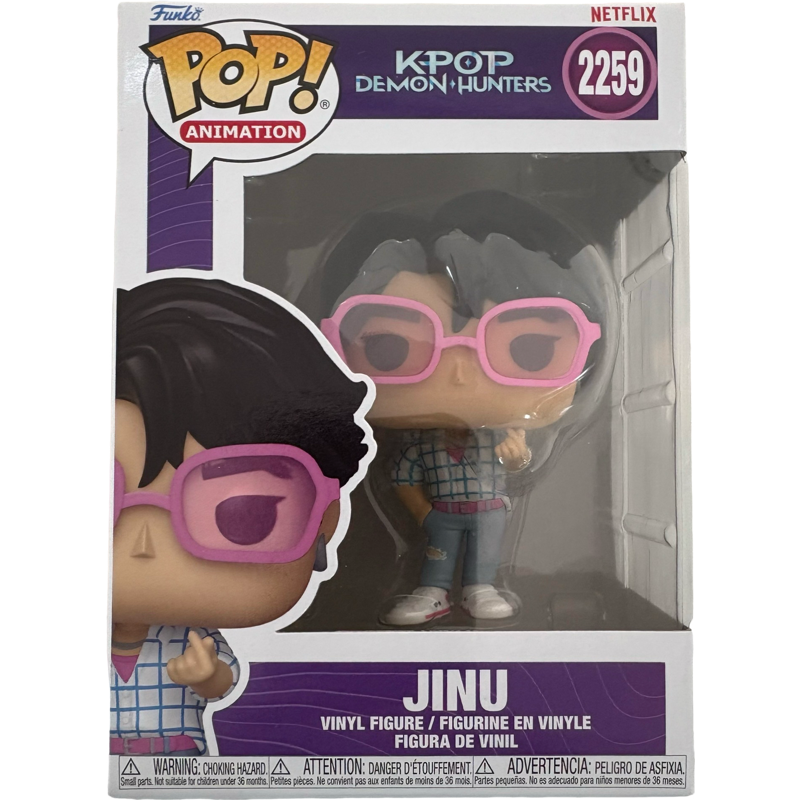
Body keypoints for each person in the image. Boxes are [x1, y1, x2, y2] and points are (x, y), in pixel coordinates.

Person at [111, 277, 370, 754]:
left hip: (178, 759)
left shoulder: (193, 639)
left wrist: (206, 676)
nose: (142, 544)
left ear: (324, 521)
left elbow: (225, 684)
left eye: (240, 513)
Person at [320, 191, 602, 625]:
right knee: (439, 556)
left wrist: (517, 457)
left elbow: (516, 463)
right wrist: (423, 512)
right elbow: (403, 478)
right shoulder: (421, 445)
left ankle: (480, 589)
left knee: (483, 558)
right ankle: (434, 592)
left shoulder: (499, 435)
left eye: (529, 348)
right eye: (389, 347)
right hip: (443, 513)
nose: (459, 373)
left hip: (489, 510)